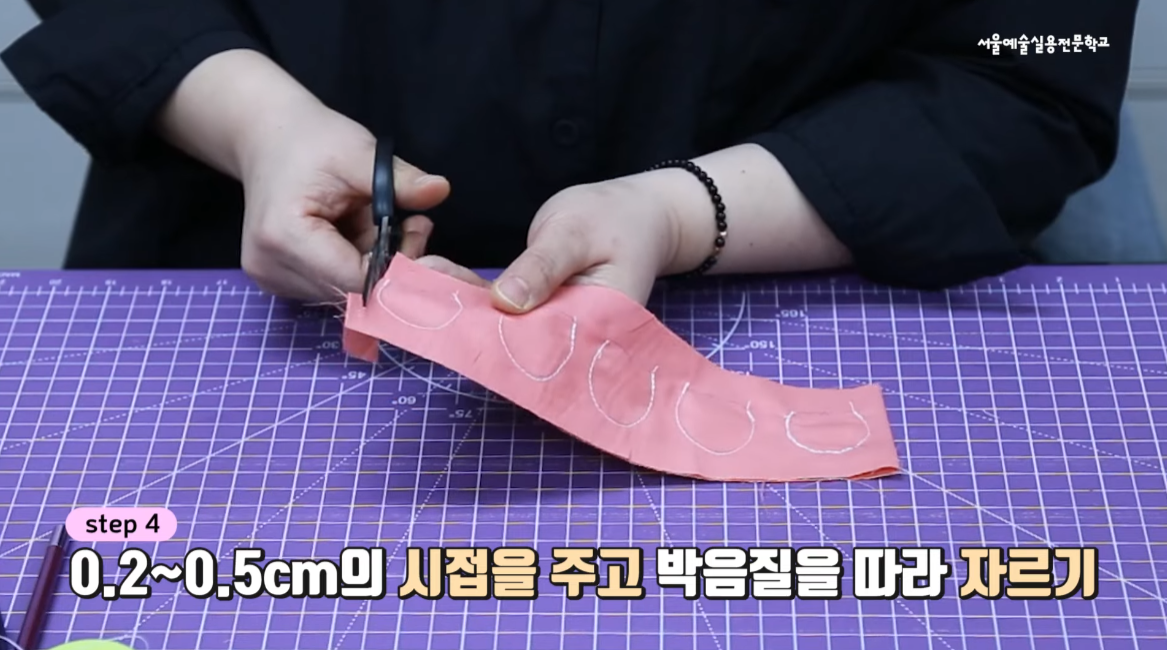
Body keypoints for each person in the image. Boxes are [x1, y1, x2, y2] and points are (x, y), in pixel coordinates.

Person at [1, 1, 1138, 314]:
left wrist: (686, 212)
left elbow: (1030, 64)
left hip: (805, 259)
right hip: (252, 260)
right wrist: (259, 122)